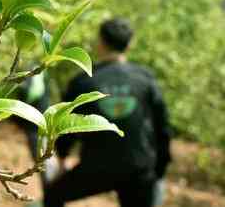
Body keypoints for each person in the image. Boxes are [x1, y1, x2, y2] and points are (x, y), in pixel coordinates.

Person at [43, 18, 172, 207]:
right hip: (138, 168)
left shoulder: (83, 80)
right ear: (130, 44)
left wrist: (62, 158)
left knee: (53, 196)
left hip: (96, 168)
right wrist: (159, 168)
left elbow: (66, 124)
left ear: (100, 43)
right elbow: (163, 126)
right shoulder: (146, 78)